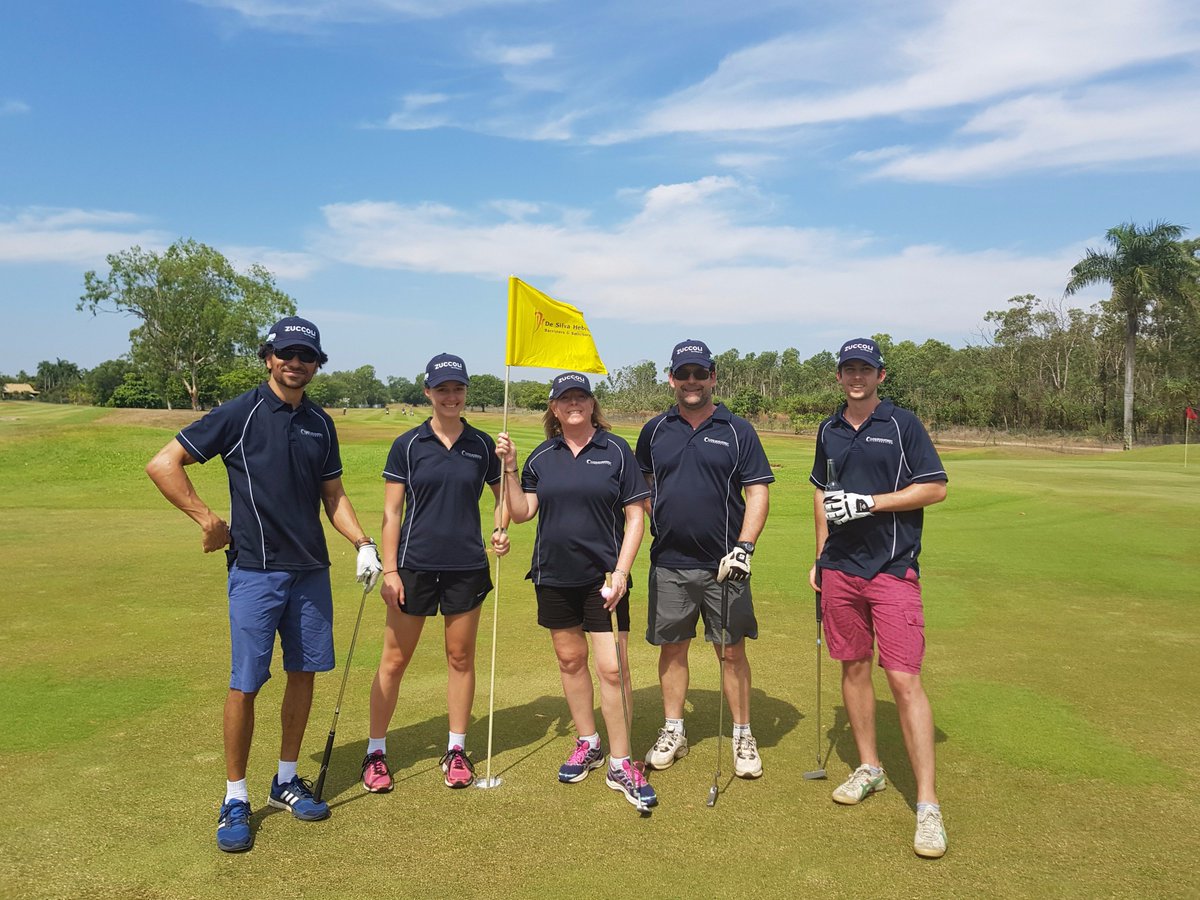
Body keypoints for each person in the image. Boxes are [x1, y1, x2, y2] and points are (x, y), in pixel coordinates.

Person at [145, 316, 383, 854]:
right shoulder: (241, 412)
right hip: (254, 570)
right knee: (246, 682)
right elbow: (164, 463)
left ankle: (285, 781)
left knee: (304, 675)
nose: (295, 363)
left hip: (310, 572)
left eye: (307, 356)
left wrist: (362, 542)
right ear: (268, 357)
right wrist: (207, 519)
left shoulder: (321, 422)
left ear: (317, 364)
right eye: (286, 354)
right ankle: (235, 796)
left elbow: (333, 496)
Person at [808, 337, 949, 859]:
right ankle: (870, 768)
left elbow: (934, 488)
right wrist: (820, 557)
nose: (856, 377)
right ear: (839, 375)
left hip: (892, 568)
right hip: (841, 570)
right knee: (853, 667)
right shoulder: (828, 427)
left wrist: (871, 502)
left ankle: (928, 805)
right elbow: (821, 495)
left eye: (865, 369)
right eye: (849, 369)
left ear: (881, 376)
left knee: (904, 679)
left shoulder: (903, 424)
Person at [494, 372, 656, 809]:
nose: (573, 404)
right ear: (553, 407)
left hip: (604, 578)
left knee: (612, 669)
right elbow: (522, 510)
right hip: (552, 574)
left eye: (580, 396)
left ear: (591, 402)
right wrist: (509, 468)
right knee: (570, 661)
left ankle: (622, 762)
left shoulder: (616, 450)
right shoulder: (542, 456)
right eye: (565, 398)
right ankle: (589, 741)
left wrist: (622, 571)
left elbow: (636, 517)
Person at [363, 354, 509, 793]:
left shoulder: (483, 445)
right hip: (413, 567)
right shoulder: (408, 445)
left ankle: (457, 750)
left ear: (466, 392)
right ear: (427, 392)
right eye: (442, 389)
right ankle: (374, 752)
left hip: (467, 566)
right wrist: (390, 570)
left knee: (461, 658)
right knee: (394, 659)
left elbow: (504, 501)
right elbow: (392, 512)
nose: (451, 397)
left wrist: (500, 529)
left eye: (458, 389)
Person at [635, 340, 773, 779]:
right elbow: (642, 487)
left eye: (700, 373)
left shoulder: (738, 430)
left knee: (730, 651)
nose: (692, 382)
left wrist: (745, 546)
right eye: (684, 374)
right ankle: (673, 728)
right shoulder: (654, 430)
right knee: (673, 649)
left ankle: (742, 733)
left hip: (724, 564)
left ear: (713, 377)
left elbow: (757, 491)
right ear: (672, 378)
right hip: (670, 562)